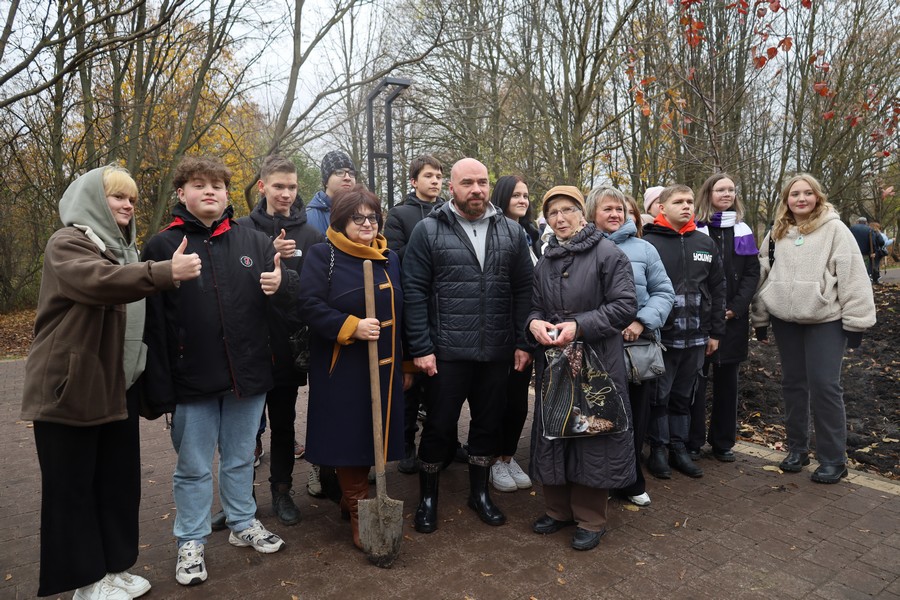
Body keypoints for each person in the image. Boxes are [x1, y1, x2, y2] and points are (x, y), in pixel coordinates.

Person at [22, 165, 201, 599]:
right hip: (70, 390)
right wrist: (161, 273)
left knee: (117, 483)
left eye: (131, 200)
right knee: (73, 488)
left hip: (115, 389)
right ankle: (86, 581)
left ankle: (113, 568)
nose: (126, 205)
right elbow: (97, 282)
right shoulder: (68, 244)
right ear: (93, 201)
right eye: (116, 197)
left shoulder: (126, 252)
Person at [142, 156, 296, 586]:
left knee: (240, 458)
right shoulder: (161, 248)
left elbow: (287, 307)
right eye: (198, 185)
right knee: (192, 466)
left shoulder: (254, 241)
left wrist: (282, 288)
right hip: (191, 381)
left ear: (229, 194)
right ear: (181, 193)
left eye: (217, 185)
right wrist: (159, 387)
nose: (209, 192)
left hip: (247, 376)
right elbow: (151, 325)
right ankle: (190, 541)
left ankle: (242, 523)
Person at [402, 158, 533, 534]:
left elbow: (524, 289)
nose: (476, 189)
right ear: (452, 188)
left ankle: (479, 494)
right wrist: (421, 348)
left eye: (482, 182)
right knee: (439, 428)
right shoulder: (428, 231)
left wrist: (523, 340)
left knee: (487, 425)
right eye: (467, 183)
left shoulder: (510, 231)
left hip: (496, 351)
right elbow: (413, 292)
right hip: (445, 353)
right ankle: (428, 499)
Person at [527, 185, 638, 551]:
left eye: (567, 210)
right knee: (555, 430)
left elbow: (624, 306)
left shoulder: (608, 253)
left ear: (582, 213)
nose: (560, 218)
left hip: (596, 363)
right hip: (556, 361)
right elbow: (534, 306)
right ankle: (557, 510)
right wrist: (534, 323)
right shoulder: (545, 260)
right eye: (553, 213)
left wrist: (581, 325)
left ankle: (591, 517)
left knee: (593, 436)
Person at [298, 184, 406, 549]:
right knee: (349, 437)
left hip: (384, 366)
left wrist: (406, 365)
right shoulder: (322, 254)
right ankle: (360, 509)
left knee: (374, 436)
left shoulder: (389, 258)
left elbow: (400, 313)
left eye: (372, 217)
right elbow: (309, 306)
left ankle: (349, 499)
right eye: (356, 218)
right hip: (342, 367)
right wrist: (351, 327)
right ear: (341, 221)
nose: (366, 224)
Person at [752, 173, 876, 484]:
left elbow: (853, 275)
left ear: (817, 197)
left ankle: (834, 459)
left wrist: (857, 322)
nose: (801, 199)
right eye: (795, 194)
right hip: (785, 321)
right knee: (793, 384)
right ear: (786, 200)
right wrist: (760, 318)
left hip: (825, 321)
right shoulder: (776, 233)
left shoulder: (835, 230)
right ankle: (797, 449)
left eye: (808, 193)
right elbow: (764, 274)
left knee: (825, 386)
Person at [235, 155, 324, 525]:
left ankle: (282, 492)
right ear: (262, 186)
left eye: (291, 187)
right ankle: (237, 499)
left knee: (284, 424)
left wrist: (287, 276)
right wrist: (267, 254)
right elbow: (230, 286)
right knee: (240, 431)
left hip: (288, 346)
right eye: (278, 187)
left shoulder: (311, 236)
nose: (286, 194)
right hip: (247, 346)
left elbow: (317, 292)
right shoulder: (239, 229)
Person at [587, 185, 674, 507]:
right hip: (595, 348)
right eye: (607, 208)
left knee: (635, 417)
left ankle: (631, 480)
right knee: (599, 416)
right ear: (592, 213)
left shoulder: (645, 249)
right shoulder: (582, 248)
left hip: (633, 349)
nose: (614, 214)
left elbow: (665, 292)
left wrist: (642, 322)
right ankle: (600, 479)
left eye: (619, 209)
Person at [642, 185, 726, 480]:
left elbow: (718, 289)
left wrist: (716, 331)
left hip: (697, 338)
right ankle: (659, 450)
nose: (686, 206)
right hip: (662, 338)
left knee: (684, 397)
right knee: (659, 396)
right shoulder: (649, 242)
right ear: (662, 208)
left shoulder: (705, 243)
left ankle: (679, 448)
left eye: (690, 201)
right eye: (678, 201)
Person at [382, 155, 449, 474]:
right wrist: (428, 246)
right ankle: (406, 443)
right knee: (410, 383)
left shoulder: (451, 213)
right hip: (411, 307)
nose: (435, 181)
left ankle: (442, 443)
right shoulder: (399, 214)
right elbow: (394, 257)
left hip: (445, 307)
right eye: (428, 176)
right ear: (414, 181)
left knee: (442, 384)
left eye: (438, 176)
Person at [689, 173, 760, 461]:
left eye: (731, 189)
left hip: (734, 319)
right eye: (721, 189)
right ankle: (692, 441)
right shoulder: (695, 230)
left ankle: (722, 442)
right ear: (708, 193)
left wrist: (737, 306)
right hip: (702, 318)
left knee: (728, 383)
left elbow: (751, 273)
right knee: (697, 380)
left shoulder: (743, 230)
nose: (727, 194)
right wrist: (712, 308)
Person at [486, 174, 539, 493]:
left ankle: (507, 456)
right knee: (496, 399)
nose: (523, 200)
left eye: (526, 195)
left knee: (519, 401)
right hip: (498, 331)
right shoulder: (493, 232)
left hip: (527, 329)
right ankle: (492, 459)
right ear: (503, 197)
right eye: (516, 195)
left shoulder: (531, 234)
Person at [306, 150, 357, 235]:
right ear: (326, 181)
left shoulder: (362, 213)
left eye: (351, 173)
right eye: (339, 172)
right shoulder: (310, 218)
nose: (347, 178)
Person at [849, 216, 883, 283]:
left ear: (858, 222)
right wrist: (873, 251)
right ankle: (865, 280)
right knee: (865, 266)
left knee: (855, 266)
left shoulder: (851, 228)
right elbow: (872, 241)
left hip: (853, 251)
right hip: (865, 252)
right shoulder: (869, 229)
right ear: (866, 222)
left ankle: (856, 280)